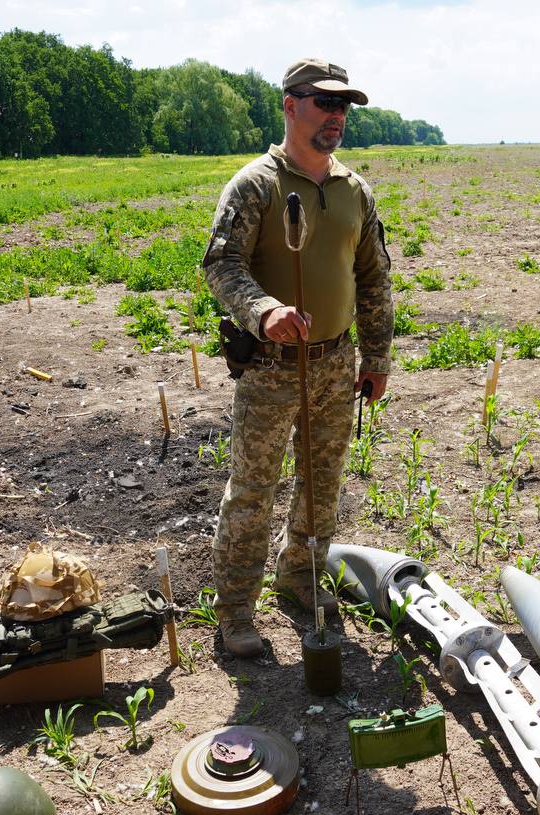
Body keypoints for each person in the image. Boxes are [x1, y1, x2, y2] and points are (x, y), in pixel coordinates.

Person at [202, 57, 394, 657]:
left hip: (337, 365)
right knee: (252, 492)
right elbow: (221, 265)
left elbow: (373, 278)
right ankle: (235, 613)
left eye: (344, 106)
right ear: (290, 105)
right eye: (324, 102)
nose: (337, 115)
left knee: (322, 486)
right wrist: (263, 311)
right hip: (270, 367)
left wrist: (377, 356)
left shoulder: (353, 189)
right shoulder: (257, 184)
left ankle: (301, 579)